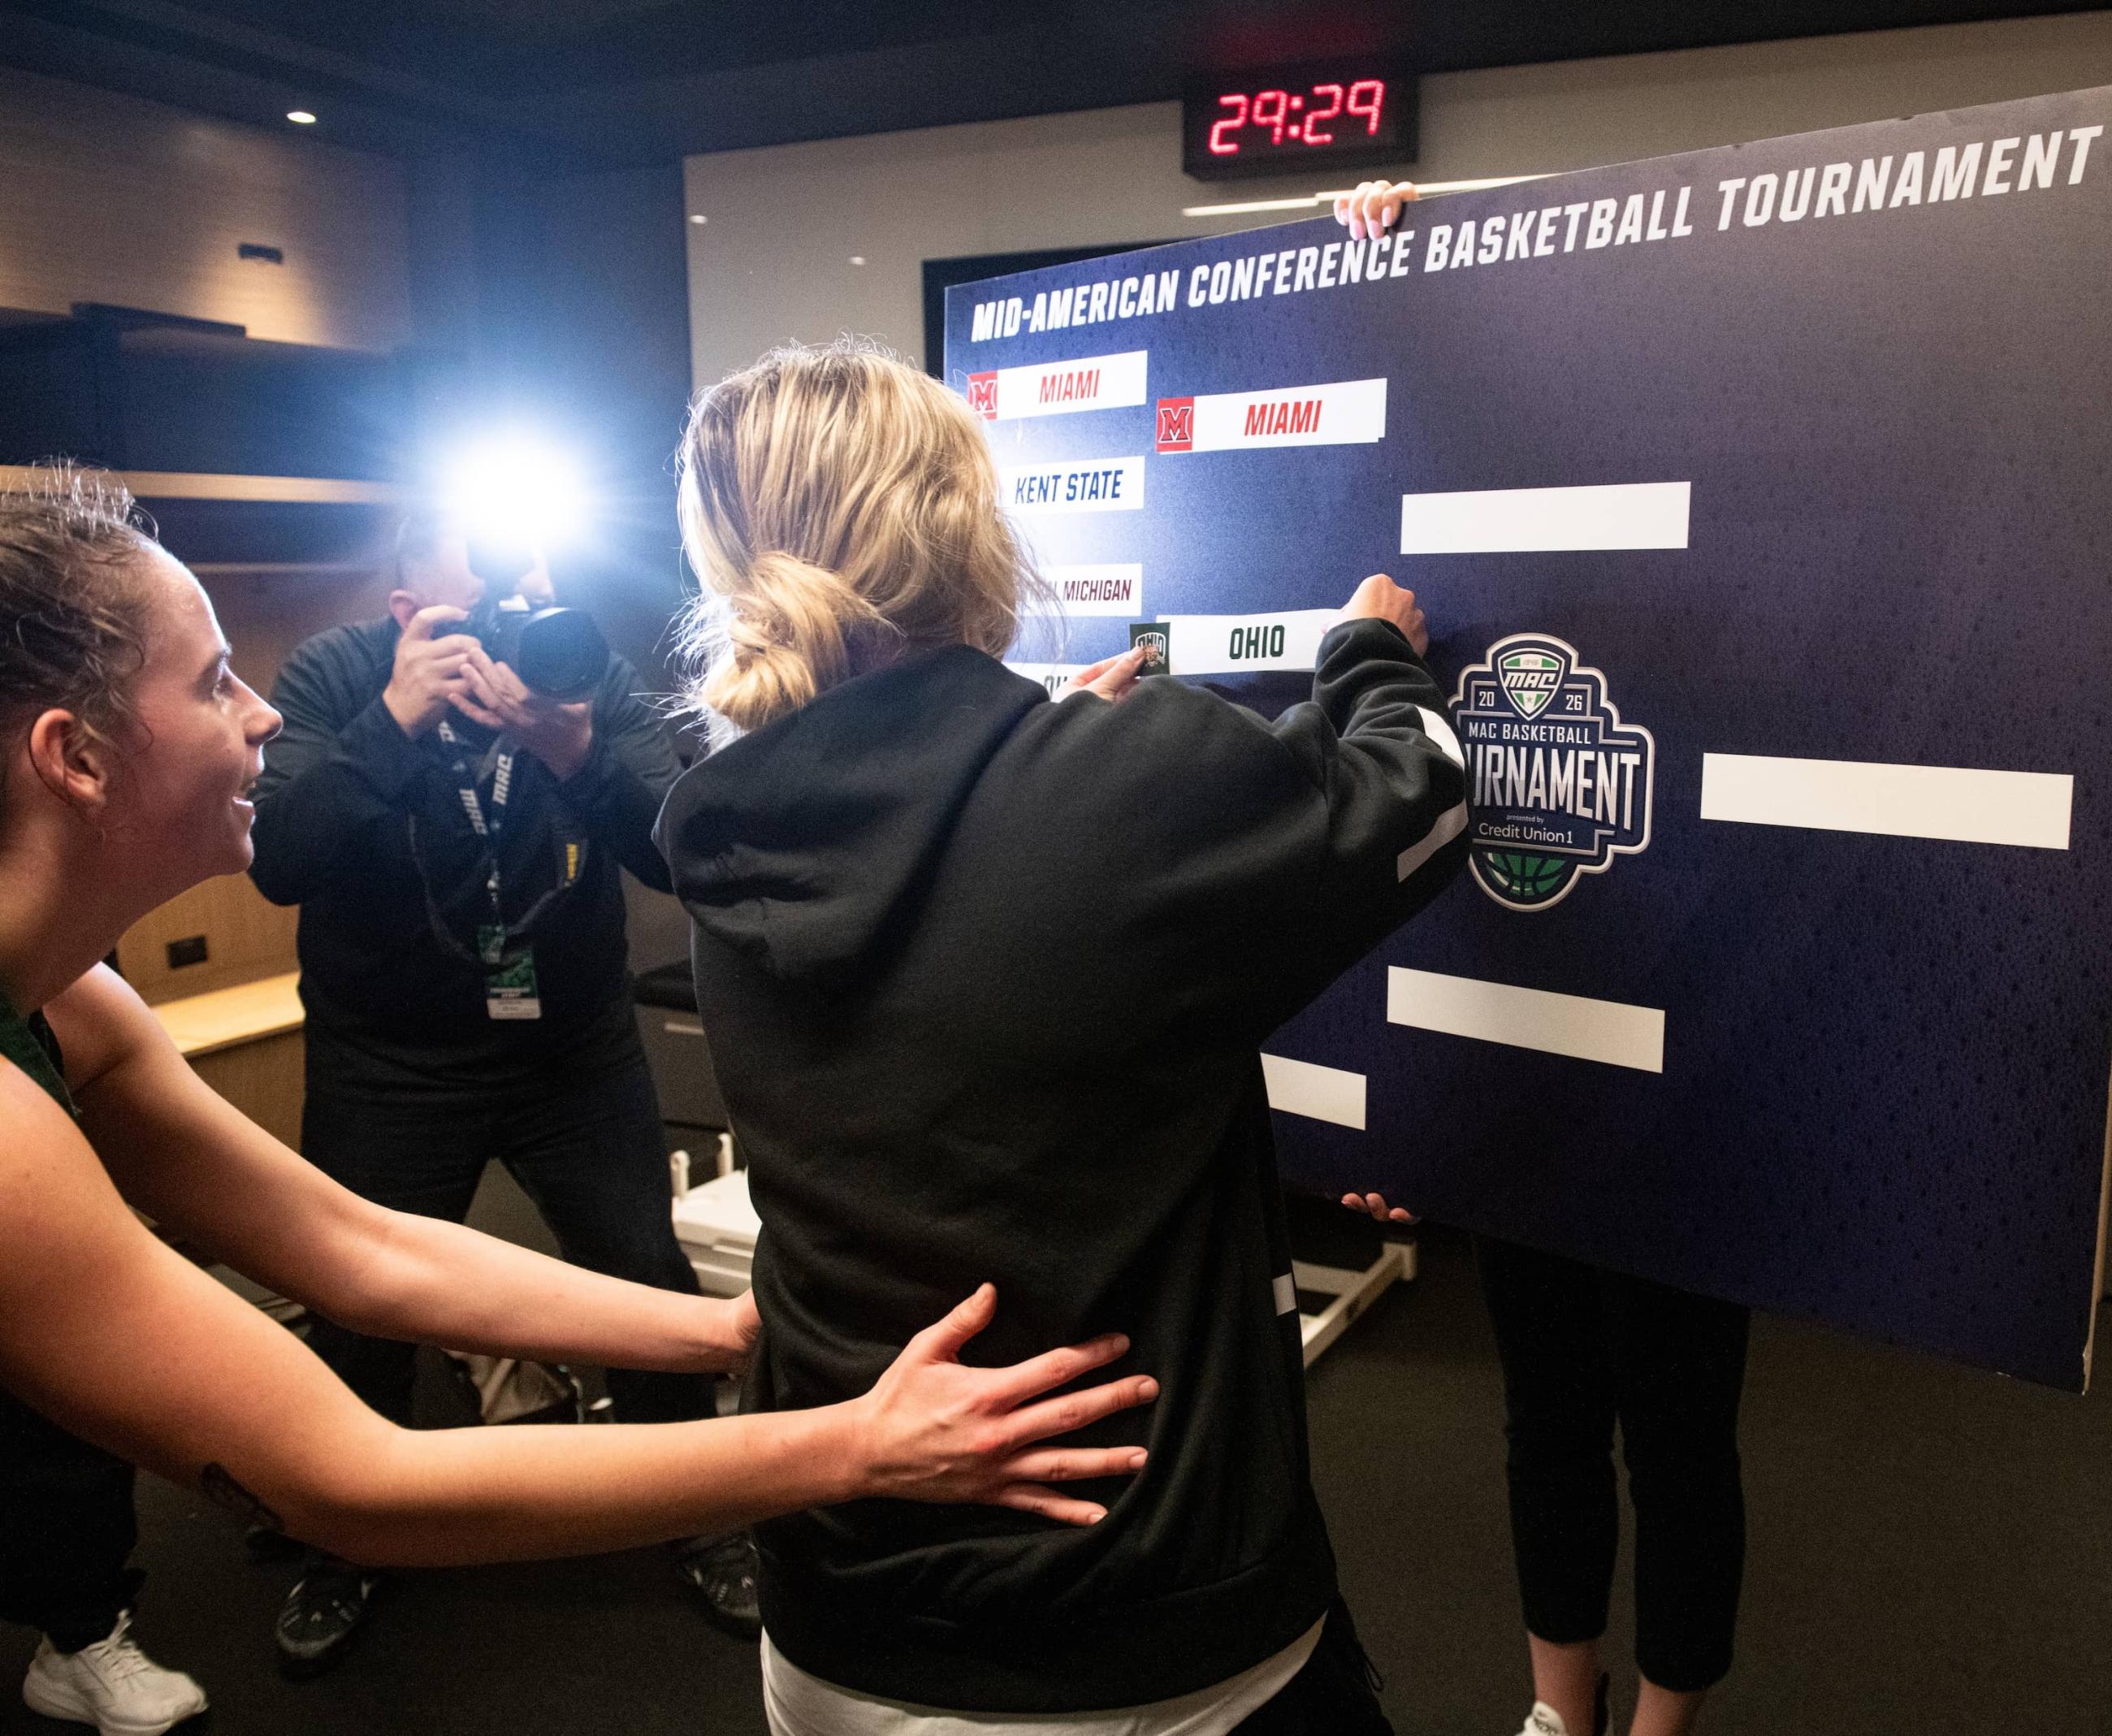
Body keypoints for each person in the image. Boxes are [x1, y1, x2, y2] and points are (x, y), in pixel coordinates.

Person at [0, 465, 1159, 1736]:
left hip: (561, 1052)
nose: (263, 711)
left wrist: (737, 1334)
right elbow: (355, 1477)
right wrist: (862, 1444)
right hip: (400, 1063)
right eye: (214, 680)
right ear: (76, 757)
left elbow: (359, 1247)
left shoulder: (74, 1001)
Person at [656, 339, 1471, 1734]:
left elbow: (973, 895)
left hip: (839, 1618)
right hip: (1144, 1635)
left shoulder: (731, 816)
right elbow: (1421, 795)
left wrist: (1043, 750)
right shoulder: (1119, 788)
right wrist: (1369, 658)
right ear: (964, 529)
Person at [1335, 180, 1750, 1736]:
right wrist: (1429, 237)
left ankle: (1656, 1726)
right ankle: (1555, 1713)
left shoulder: (1719, 528)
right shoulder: (1476, 528)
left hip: (1689, 1056)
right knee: (1548, 1419)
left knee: (1682, 1434)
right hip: (1524, 1063)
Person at [245, 512, 752, 1668]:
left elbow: (682, 853)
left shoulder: (577, 665)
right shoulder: (336, 675)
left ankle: (691, 1509)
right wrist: (393, 721)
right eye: (485, 587)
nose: (519, 601)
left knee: (642, 1276)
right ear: (408, 609)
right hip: (391, 1058)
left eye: (529, 574)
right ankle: (346, 1535)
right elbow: (280, 857)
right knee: (356, 1302)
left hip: (570, 1049)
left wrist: (574, 745)